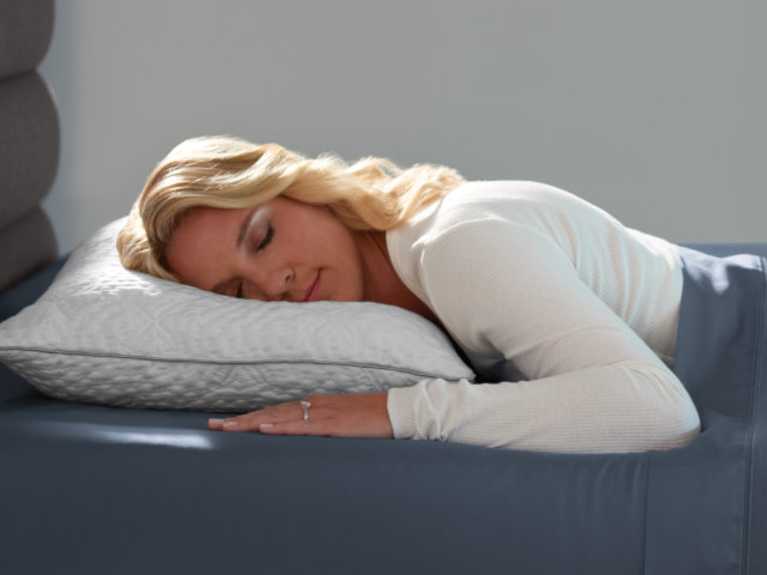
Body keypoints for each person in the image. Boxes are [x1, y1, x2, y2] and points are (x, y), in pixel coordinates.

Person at [116, 134, 701, 453]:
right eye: (238, 292)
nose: (273, 284)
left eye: (263, 237)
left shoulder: (456, 244)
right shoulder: (398, 289)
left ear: (301, 188)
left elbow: (657, 412)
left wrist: (400, 412)